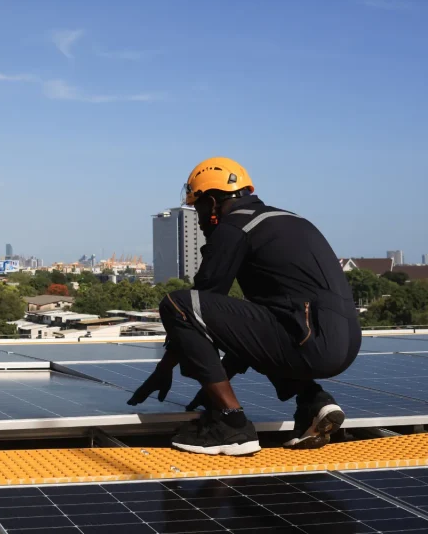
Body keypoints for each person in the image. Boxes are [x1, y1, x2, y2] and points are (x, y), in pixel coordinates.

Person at [127, 157, 361, 456]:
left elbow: (195, 306)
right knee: (256, 315)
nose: (198, 220)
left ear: (212, 203)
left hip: (307, 340)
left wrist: (166, 366)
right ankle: (313, 402)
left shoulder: (235, 226)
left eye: (197, 208)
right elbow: (242, 334)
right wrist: (215, 380)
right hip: (343, 341)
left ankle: (231, 425)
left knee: (176, 302)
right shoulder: (288, 219)